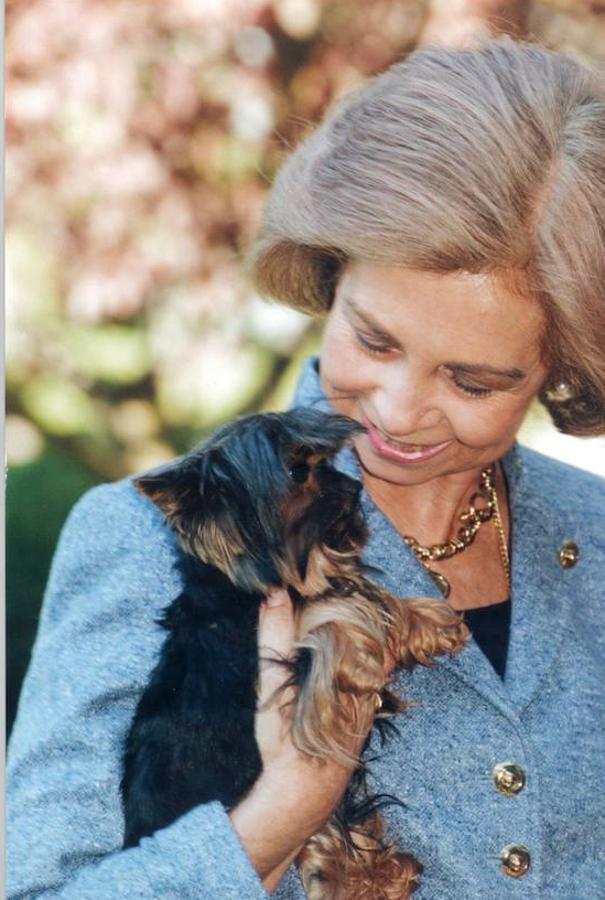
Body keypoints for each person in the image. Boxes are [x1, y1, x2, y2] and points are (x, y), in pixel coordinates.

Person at [8, 37, 605, 900]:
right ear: (328, 273)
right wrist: (282, 813)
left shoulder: (593, 534)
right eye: (373, 339)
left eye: (473, 381)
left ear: (563, 369)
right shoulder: (152, 536)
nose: (397, 413)